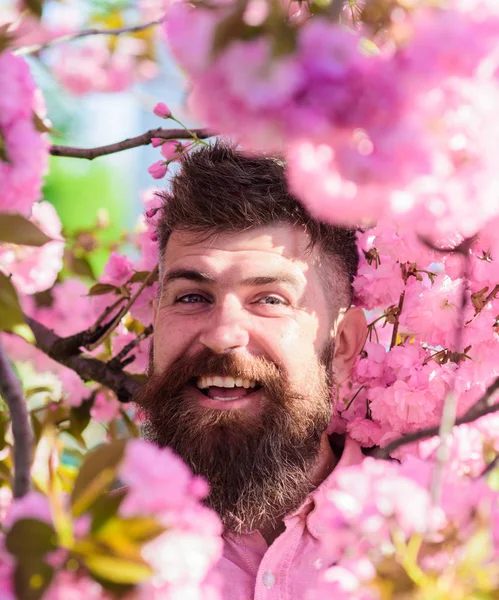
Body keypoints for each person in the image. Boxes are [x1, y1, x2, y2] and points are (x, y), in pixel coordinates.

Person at [134, 141, 368, 599]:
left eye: (270, 300)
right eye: (191, 297)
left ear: (341, 346)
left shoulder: (455, 542)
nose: (222, 334)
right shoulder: (81, 552)